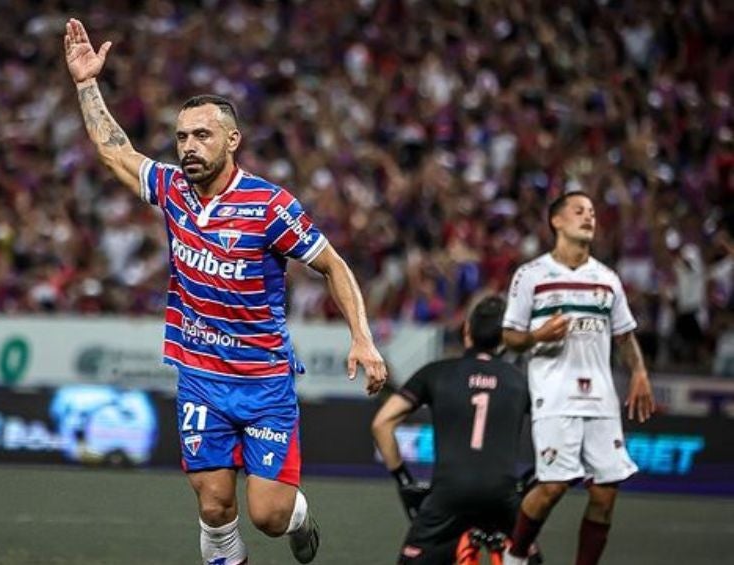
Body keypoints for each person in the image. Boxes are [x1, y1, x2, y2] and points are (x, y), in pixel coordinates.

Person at [63, 18, 388, 565]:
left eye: (202, 136)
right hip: (200, 377)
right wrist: (86, 84)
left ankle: (298, 518)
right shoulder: (172, 188)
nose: (188, 147)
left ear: (232, 140)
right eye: (181, 137)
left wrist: (362, 337)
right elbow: (115, 151)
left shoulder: (270, 206)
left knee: (268, 515)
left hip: (264, 382)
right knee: (214, 507)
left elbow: (333, 265)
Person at [501, 191, 655, 565]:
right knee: (553, 486)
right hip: (554, 396)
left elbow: (624, 336)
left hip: (601, 399)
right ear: (556, 221)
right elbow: (510, 337)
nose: (589, 217)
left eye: (592, 212)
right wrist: (537, 335)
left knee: (605, 494)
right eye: (579, 211)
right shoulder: (532, 275)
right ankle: (514, 556)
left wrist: (639, 372)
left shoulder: (607, 279)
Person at [372, 296, 537, 564]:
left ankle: (461, 545)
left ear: (467, 330)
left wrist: (404, 481)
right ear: (504, 340)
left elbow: (382, 423)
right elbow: (556, 436)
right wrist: (529, 482)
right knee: (526, 555)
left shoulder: (436, 372)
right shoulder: (520, 381)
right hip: (502, 494)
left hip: (448, 493)